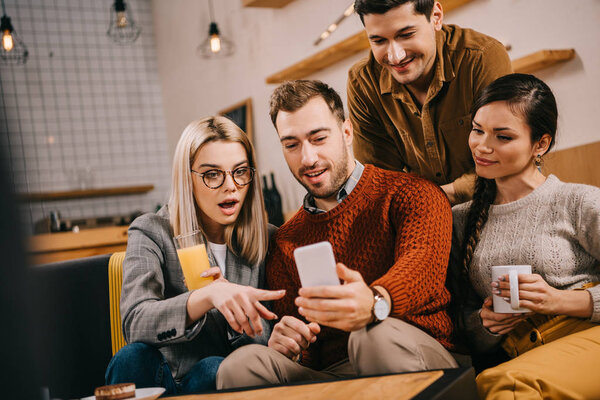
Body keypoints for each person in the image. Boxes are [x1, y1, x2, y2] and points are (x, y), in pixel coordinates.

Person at [216, 80, 458, 389]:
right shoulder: (287, 239)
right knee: (242, 365)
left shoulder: (411, 193)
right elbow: (306, 348)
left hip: (415, 352)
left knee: (371, 335)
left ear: (346, 132)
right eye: (292, 144)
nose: (308, 159)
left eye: (318, 138)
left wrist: (374, 303)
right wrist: (290, 344)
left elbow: (422, 269)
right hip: (336, 377)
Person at [104, 116, 285, 395]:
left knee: (214, 367)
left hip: (220, 381)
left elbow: (265, 346)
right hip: (161, 379)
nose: (231, 186)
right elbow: (135, 322)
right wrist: (204, 297)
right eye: (212, 174)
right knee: (131, 357)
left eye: (240, 171)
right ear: (186, 177)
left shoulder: (269, 238)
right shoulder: (151, 230)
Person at [448, 73, 600, 398]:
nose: (482, 146)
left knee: (505, 385)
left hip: (589, 338)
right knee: (495, 383)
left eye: (503, 137)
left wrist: (558, 300)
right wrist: (486, 324)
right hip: (521, 356)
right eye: (477, 130)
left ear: (540, 144)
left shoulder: (579, 201)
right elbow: (460, 321)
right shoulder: (460, 220)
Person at [347, 0, 512, 204]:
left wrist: (429, 200)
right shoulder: (363, 83)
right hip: (423, 216)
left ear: (436, 17)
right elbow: (380, 186)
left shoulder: (481, 58)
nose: (396, 56)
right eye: (379, 41)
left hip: (497, 204)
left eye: (406, 35)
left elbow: (504, 162)